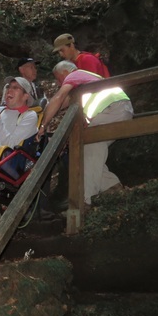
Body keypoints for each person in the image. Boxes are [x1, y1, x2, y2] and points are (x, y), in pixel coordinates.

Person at [37, 61, 133, 208]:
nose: (58, 83)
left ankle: (85, 201)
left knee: (87, 144)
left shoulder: (75, 75)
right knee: (90, 148)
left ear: (64, 73)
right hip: (120, 109)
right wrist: (45, 116)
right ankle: (113, 188)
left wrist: (42, 125)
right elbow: (62, 103)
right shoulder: (86, 80)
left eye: (58, 79)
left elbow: (59, 98)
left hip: (113, 108)